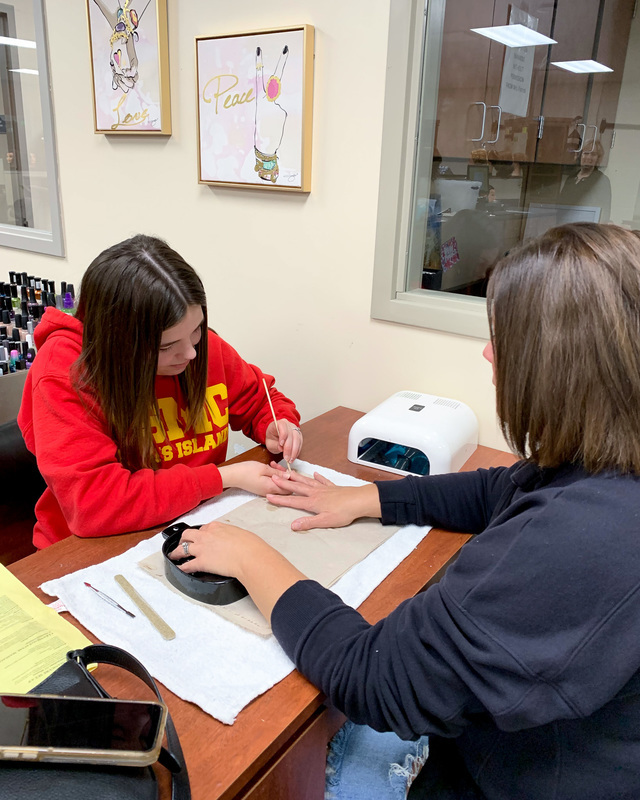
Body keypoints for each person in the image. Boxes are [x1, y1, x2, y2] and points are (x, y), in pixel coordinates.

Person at [170, 223, 640, 800]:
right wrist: (366, 498)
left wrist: (250, 554)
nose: (489, 353)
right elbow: (501, 489)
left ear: (558, 363)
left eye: (503, 338)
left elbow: (372, 676)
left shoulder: (582, 537)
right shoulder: (607, 467)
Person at [18, 234, 302, 549]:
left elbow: (261, 400)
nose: (191, 354)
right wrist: (223, 478)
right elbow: (95, 504)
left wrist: (276, 423)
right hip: (88, 550)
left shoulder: (199, 348)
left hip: (188, 522)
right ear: (118, 341)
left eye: (197, 329)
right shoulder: (65, 372)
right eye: (166, 346)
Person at [558, 139, 611, 223]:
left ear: (598, 159)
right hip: (565, 223)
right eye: (586, 153)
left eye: (593, 154)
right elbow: (560, 204)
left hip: (587, 227)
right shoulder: (571, 178)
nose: (589, 157)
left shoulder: (601, 180)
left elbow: (605, 211)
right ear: (580, 155)